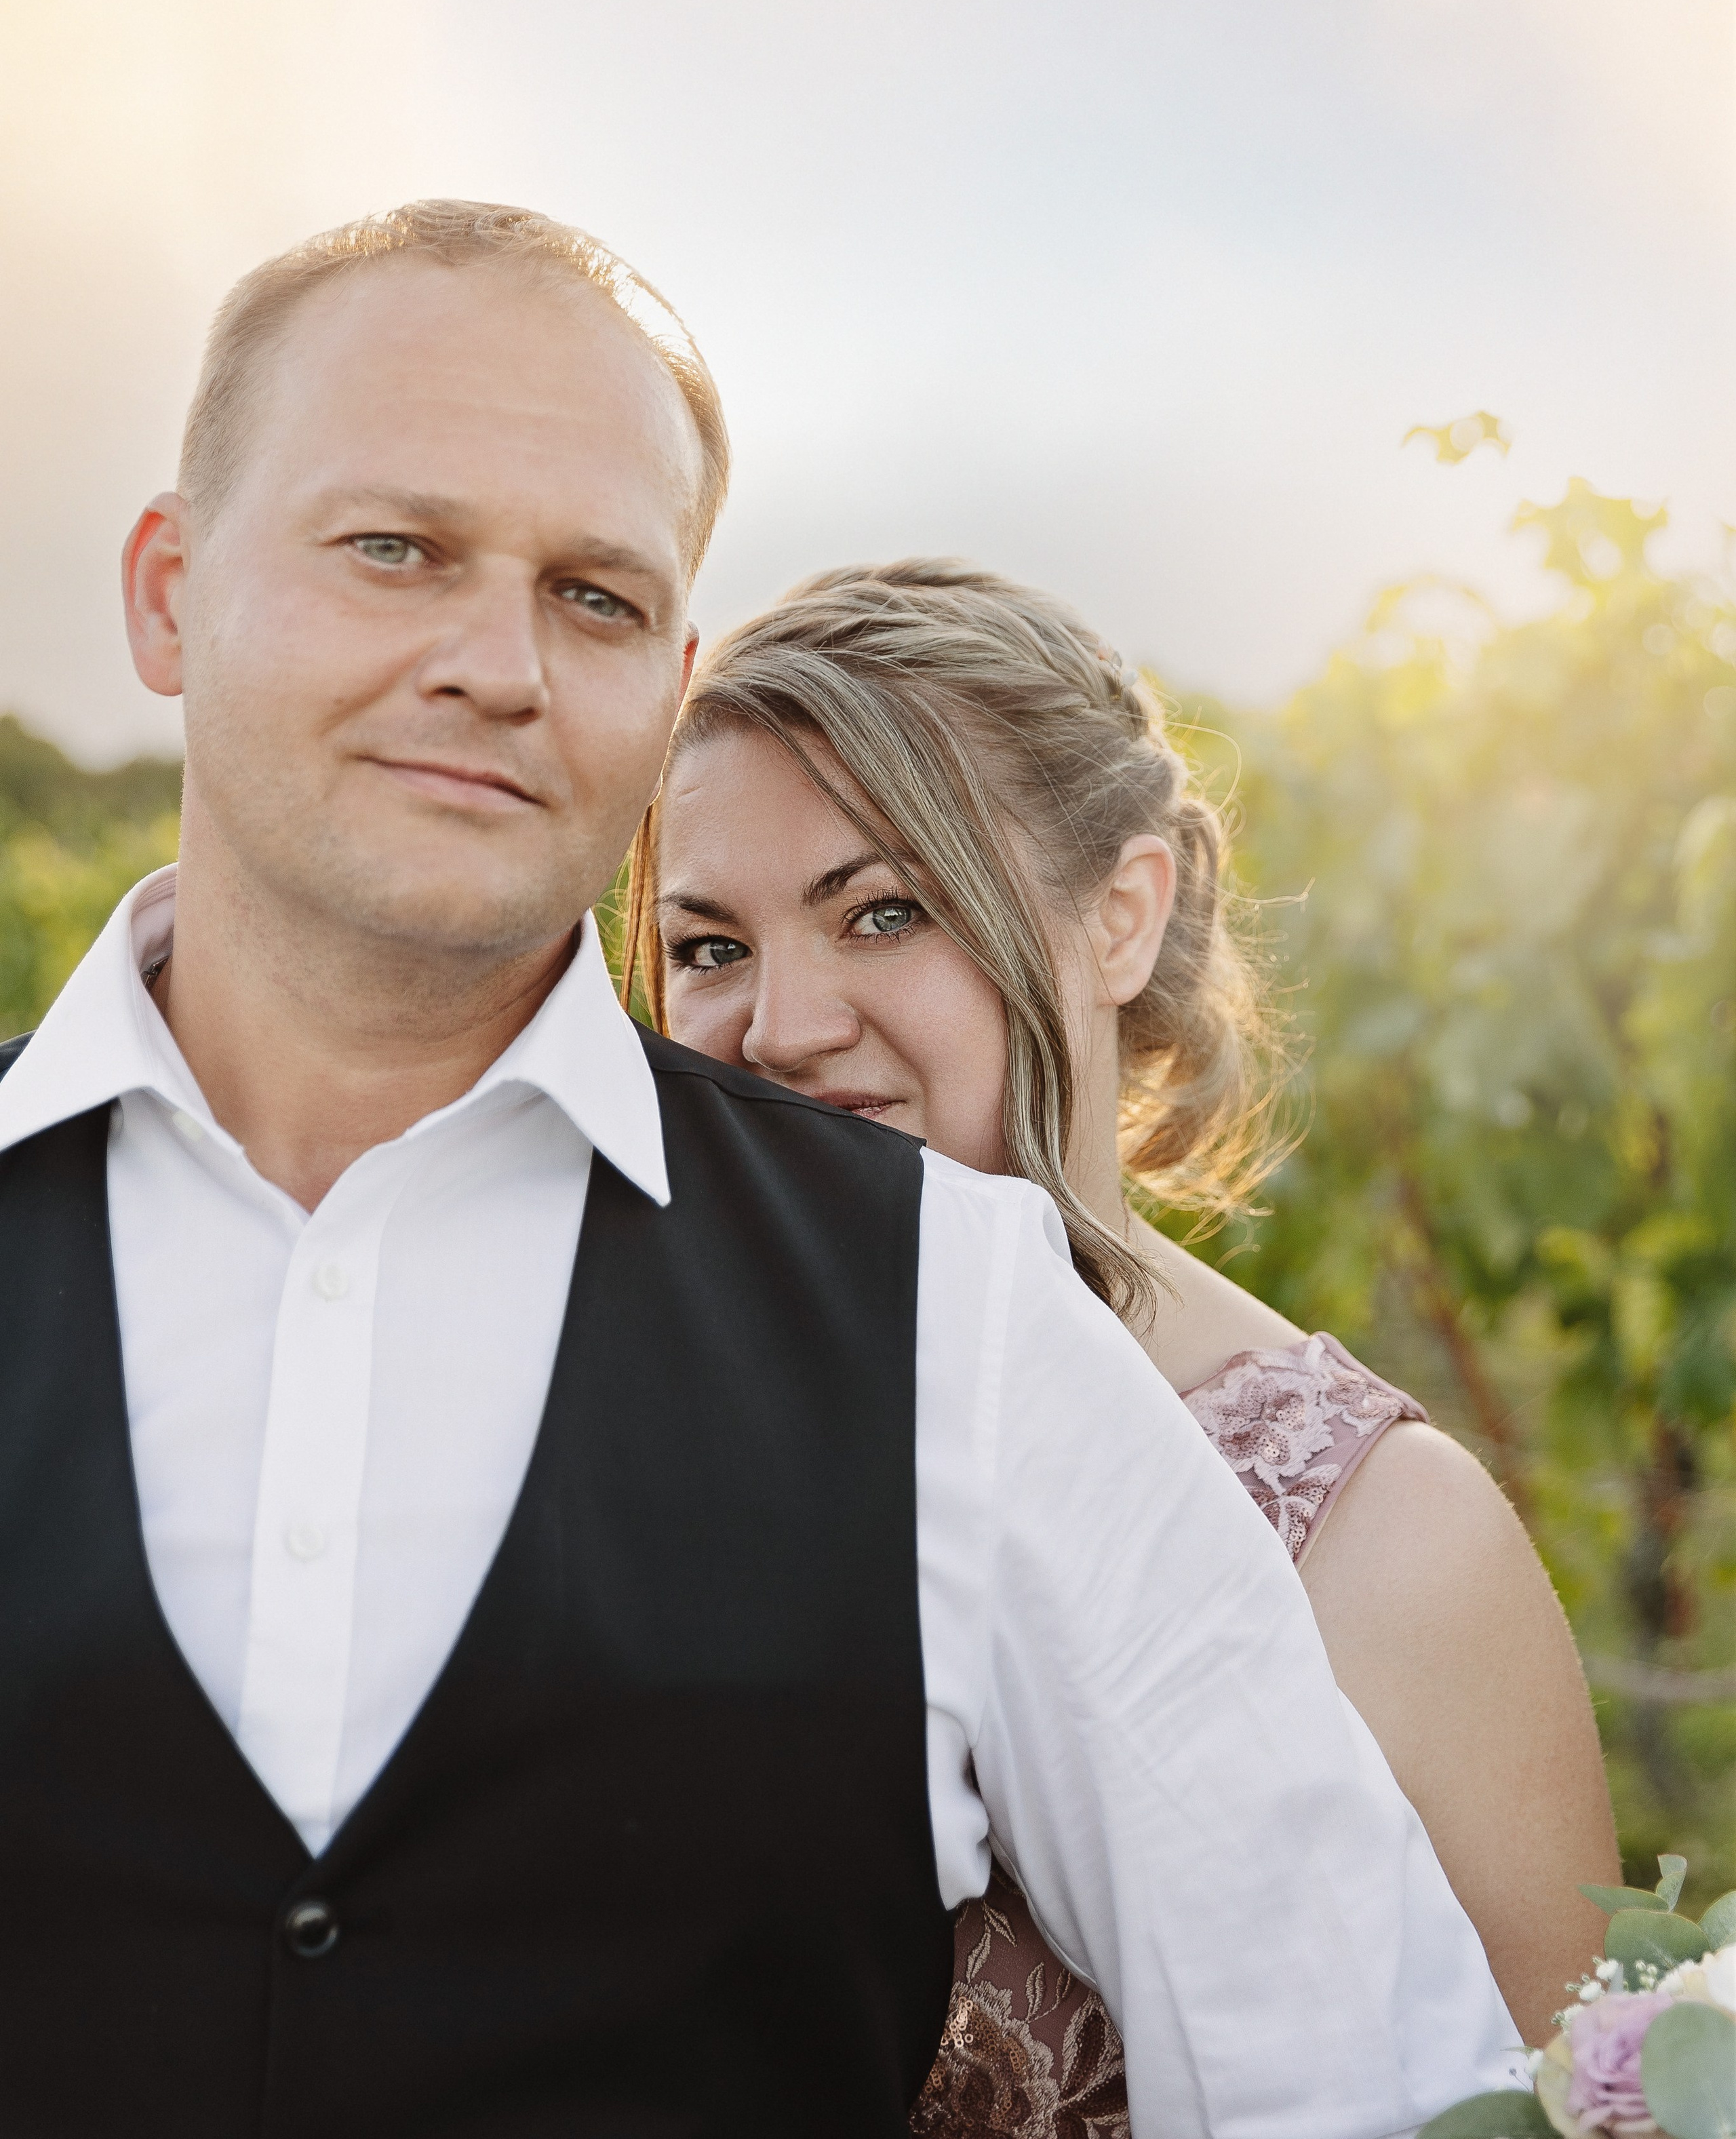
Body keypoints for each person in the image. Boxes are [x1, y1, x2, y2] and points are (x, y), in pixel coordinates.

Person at [0, 203, 1519, 2139]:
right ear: (167, 591)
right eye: (396, 549)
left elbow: (1366, 2087)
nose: (499, 664)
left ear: (669, 682)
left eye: (599, 600)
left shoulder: (960, 1329)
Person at [631, 557, 1622, 2119]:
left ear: (1119, 915)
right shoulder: (613, 1441)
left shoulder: (1383, 1546)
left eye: (883, 913)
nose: (779, 1025)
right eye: (710, 947)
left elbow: (1549, 2109)